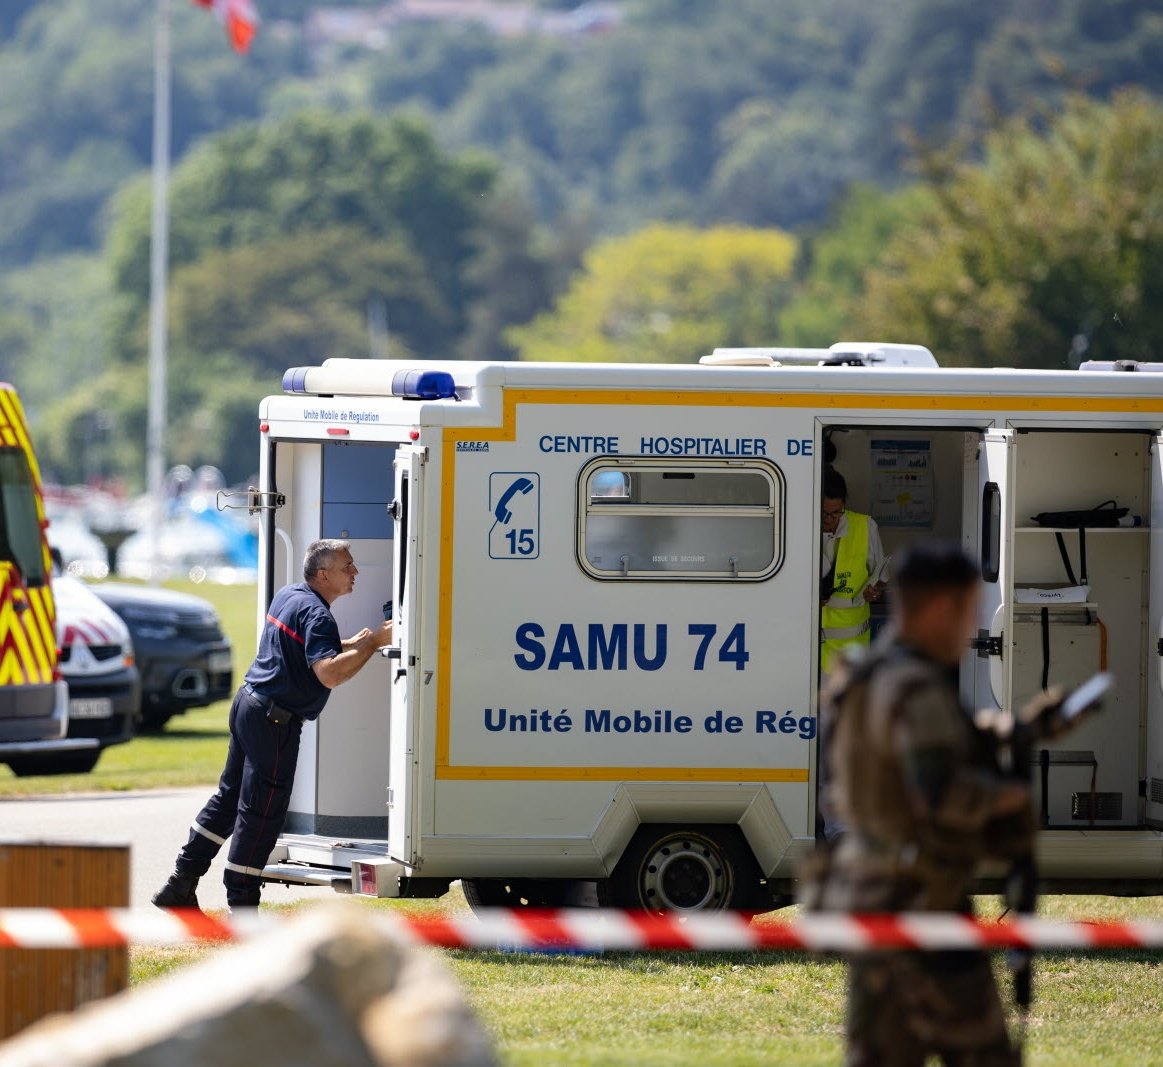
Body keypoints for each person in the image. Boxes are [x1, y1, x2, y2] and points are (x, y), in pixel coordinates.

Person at [807, 542, 1078, 1067]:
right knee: (984, 1054)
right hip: (924, 905)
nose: (971, 628)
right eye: (969, 611)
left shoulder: (865, 673)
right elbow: (941, 794)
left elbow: (919, 746)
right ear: (939, 610)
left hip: (870, 899)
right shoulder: (918, 689)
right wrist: (1012, 797)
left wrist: (1015, 728)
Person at [152, 539, 393, 910]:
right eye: (348, 567)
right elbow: (328, 674)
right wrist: (374, 642)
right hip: (273, 722)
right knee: (261, 813)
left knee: (229, 800)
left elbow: (305, 648)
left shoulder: (291, 596)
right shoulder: (318, 615)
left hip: (249, 705)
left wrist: (352, 643)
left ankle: (180, 882)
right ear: (323, 574)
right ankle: (243, 907)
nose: (355, 572)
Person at [820, 467, 886, 676]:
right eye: (824, 513)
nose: (830, 519)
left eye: (836, 512)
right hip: (808, 648)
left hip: (852, 650)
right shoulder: (800, 527)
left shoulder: (865, 527)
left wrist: (874, 590)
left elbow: (881, 573)